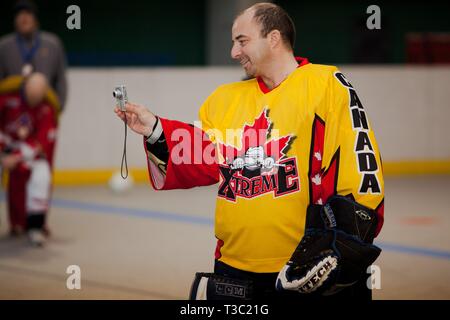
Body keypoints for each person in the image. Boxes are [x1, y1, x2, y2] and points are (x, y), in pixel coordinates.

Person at [114, 3, 385, 300]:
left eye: (242, 41)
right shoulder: (224, 99)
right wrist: (153, 128)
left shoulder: (326, 85)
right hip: (234, 269)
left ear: (273, 38)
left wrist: (342, 250)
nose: (233, 52)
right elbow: (204, 158)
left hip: (309, 269)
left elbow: (361, 167)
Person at [0, 72, 59, 246]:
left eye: (38, 96)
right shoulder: (6, 100)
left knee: (42, 174)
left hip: (26, 154)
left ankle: (35, 227)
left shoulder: (47, 109)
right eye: (32, 95)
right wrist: (3, 154)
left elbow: (42, 143)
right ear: (25, 88)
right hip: (4, 148)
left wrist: (16, 157)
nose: (34, 100)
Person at [0, 0, 67, 110]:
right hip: (12, 110)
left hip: (44, 107)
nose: (24, 18)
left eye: (28, 13)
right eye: (20, 14)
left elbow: (60, 80)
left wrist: (58, 106)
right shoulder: (4, 46)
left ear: (35, 19)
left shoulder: (52, 44)